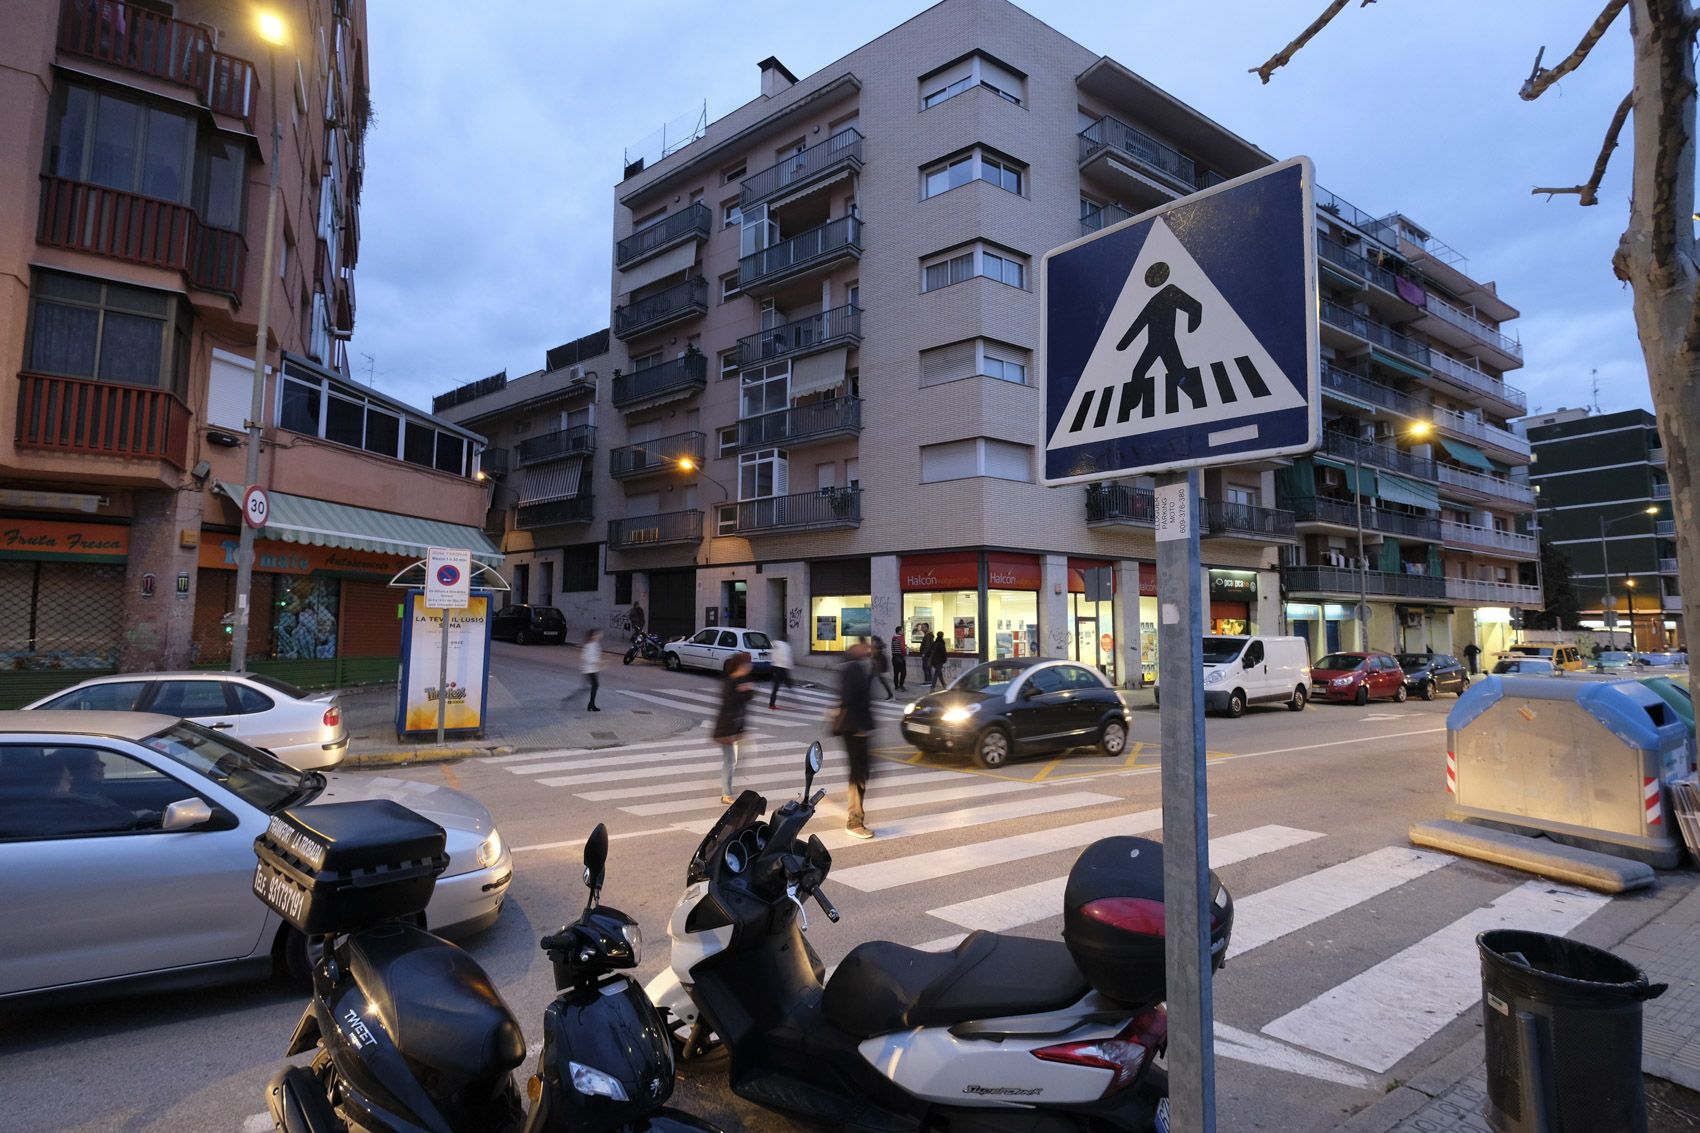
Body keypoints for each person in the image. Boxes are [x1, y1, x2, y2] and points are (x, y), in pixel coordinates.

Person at [835, 642, 876, 839]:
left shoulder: (853, 667)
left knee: (861, 771)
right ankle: (854, 821)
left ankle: (856, 815)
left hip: (854, 727)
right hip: (854, 728)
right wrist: (860, 726)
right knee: (858, 773)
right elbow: (850, 698)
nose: (868, 649)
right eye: (864, 646)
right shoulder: (854, 669)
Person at [713, 652, 755, 804]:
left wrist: (747, 689)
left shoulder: (742, 680)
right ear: (740, 666)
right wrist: (732, 733)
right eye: (748, 664)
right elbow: (729, 705)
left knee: (739, 757)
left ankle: (726, 783)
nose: (750, 666)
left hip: (736, 728)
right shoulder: (730, 682)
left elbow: (749, 697)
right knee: (730, 761)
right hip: (726, 729)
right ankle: (726, 794)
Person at [768, 632, 795, 709]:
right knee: (788, 684)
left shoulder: (775, 643)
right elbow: (788, 658)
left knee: (776, 686)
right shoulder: (787, 646)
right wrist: (790, 667)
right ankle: (795, 701)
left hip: (775, 667)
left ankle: (772, 704)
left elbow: (771, 650)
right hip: (783, 667)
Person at [579, 629, 603, 711]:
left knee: (595, 685)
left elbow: (596, 655)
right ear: (593, 636)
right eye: (598, 634)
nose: (600, 636)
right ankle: (591, 704)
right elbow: (586, 657)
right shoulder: (589, 645)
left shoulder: (595, 644)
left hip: (593, 669)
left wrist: (599, 662)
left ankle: (591, 704)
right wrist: (598, 661)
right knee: (595, 685)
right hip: (588, 669)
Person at [869, 635, 894, 700]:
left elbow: (877, 655)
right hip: (877, 665)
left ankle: (890, 695)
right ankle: (890, 695)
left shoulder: (878, 646)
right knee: (870, 679)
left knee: (882, 680)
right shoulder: (879, 646)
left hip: (880, 666)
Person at [890, 625, 908, 691]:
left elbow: (893, 648)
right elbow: (903, 649)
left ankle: (896, 687)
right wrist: (905, 654)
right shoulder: (901, 638)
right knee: (903, 672)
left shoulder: (893, 638)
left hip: (894, 658)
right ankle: (901, 686)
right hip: (900, 658)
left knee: (896, 673)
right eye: (902, 630)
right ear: (899, 631)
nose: (903, 632)